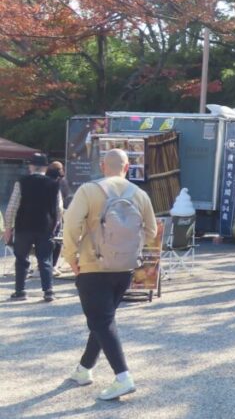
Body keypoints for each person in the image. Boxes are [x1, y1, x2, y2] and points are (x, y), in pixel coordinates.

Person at [62, 149, 159, 400]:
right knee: (103, 319)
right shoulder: (140, 194)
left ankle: (123, 376)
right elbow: (150, 231)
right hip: (125, 268)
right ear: (127, 168)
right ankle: (84, 369)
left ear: (103, 166)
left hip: (93, 266)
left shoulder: (89, 190)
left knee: (101, 321)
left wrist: (70, 257)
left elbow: (71, 224)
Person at [4, 152, 62, 302]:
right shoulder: (54, 184)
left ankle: (20, 291)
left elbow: (12, 207)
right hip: (45, 226)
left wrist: (8, 228)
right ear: (45, 167)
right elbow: (59, 209)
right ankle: (48, 291)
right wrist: (55, 225)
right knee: (45, 259)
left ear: (30, 166)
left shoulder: (21, 182)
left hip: (24, 226)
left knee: (21, 258)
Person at [46, 161, 72, 277]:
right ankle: (53, 265)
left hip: (45, 215)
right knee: (57, 240)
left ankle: (44, 264)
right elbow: (66, 197)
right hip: (57, 215)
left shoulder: (44, 180)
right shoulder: (62, 182)